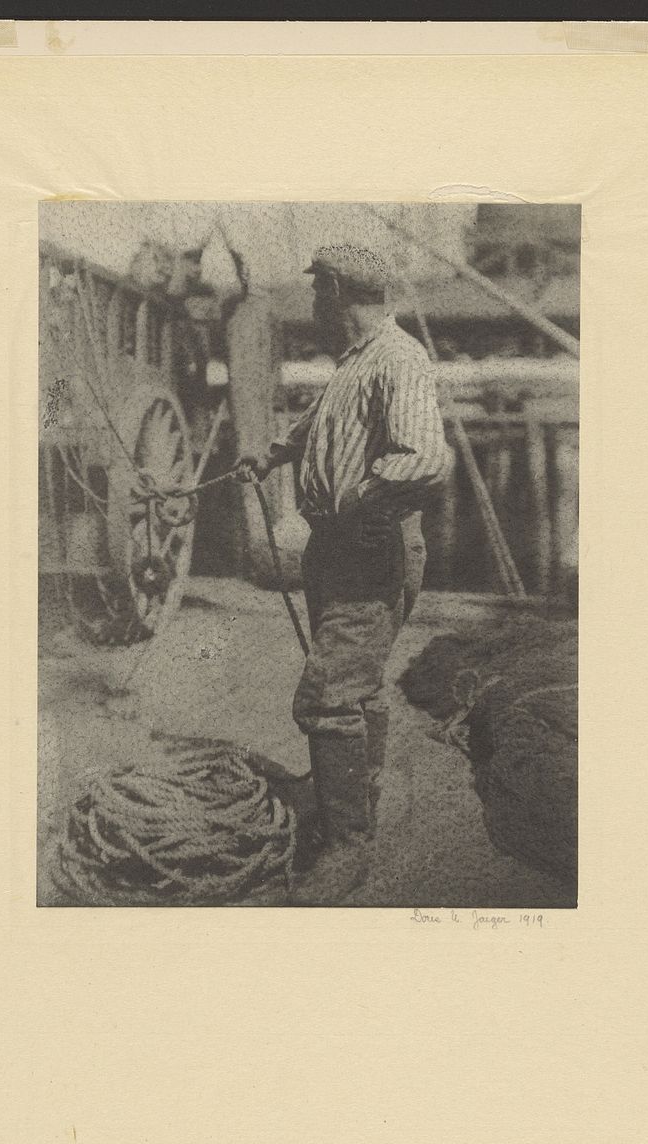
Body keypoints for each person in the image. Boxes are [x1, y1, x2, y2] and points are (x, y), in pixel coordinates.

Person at [237, 244, 452, 883]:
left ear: (335, 292)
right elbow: (319, 425)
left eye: (316, 293)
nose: (312, 305)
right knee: (358, 686)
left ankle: (348, 842)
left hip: (370, 545)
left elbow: (424, 459)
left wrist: (357, 499)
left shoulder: (400, 360)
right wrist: (272, 454)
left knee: (327, 695)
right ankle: (359, 792)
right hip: (337, 546)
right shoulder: (356, 363)